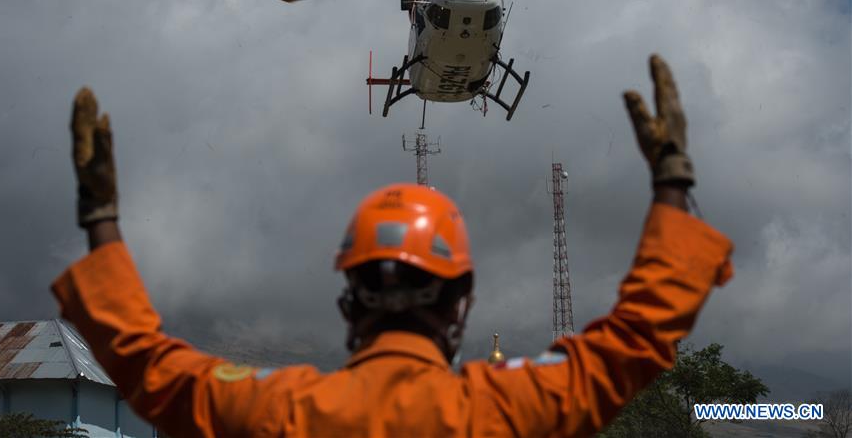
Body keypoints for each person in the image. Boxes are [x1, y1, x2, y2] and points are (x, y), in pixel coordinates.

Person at [53, 54, 733, 437]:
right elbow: (638, 336)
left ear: (349, 302)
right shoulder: (505, 411)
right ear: (461, 303)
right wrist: (672, 178)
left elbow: (144, 363)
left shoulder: (278, 411)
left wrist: (101, 215)